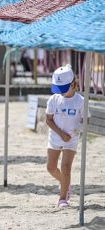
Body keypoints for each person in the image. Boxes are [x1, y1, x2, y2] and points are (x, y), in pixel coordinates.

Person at [46, 64, 90, 208]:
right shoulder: (54, 99)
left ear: (73, 84)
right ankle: (65, 183)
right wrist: (60, 133)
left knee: (66, 167)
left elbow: (85, 120)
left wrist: (79, 128)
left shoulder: (81, 101)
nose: (61, 92)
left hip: (71, 139)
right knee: (51, 168)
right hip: (55, 137)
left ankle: (62, 198)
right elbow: (48, 119)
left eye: (63, 89)